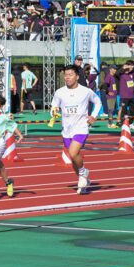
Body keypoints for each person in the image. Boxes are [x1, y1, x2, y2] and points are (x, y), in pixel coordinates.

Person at [51, 65, 102, 195]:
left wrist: (93, 116)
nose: (67, 77)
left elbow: (98, 102)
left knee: (73, 153)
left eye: (70, 75)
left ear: (77, 77)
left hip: (81, 127)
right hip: (66, 129)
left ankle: (84, 172)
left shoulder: (85, 91)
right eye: (66, 75)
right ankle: (84, 180)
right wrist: (54, 112)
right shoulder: (59, 92)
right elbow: (54, 106)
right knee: (73, 159)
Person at [117, 61, 134, 129]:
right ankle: (123, 123)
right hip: (124, 96)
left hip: (132, 96)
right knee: (124, 111)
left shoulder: (132, 74)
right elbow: (116, 73)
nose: (131, 67)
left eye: (132, 66)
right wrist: (123, 67)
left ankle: (131, 123)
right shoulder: (121, 75)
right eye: (130, 66)